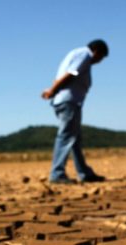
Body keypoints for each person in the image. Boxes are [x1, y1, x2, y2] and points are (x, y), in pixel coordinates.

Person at [41, 39, 109, 184]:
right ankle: (57, 174)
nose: (99, 61)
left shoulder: (75, 54)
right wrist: (53, 90)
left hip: (65, 101)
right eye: (101, 57)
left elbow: (62, 75)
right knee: (66, 137)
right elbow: (71, 73)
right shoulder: (85, 55)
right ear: (97, 51)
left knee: (74, 139)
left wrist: (53, 90)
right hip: (69, 101)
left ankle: (84, 173)